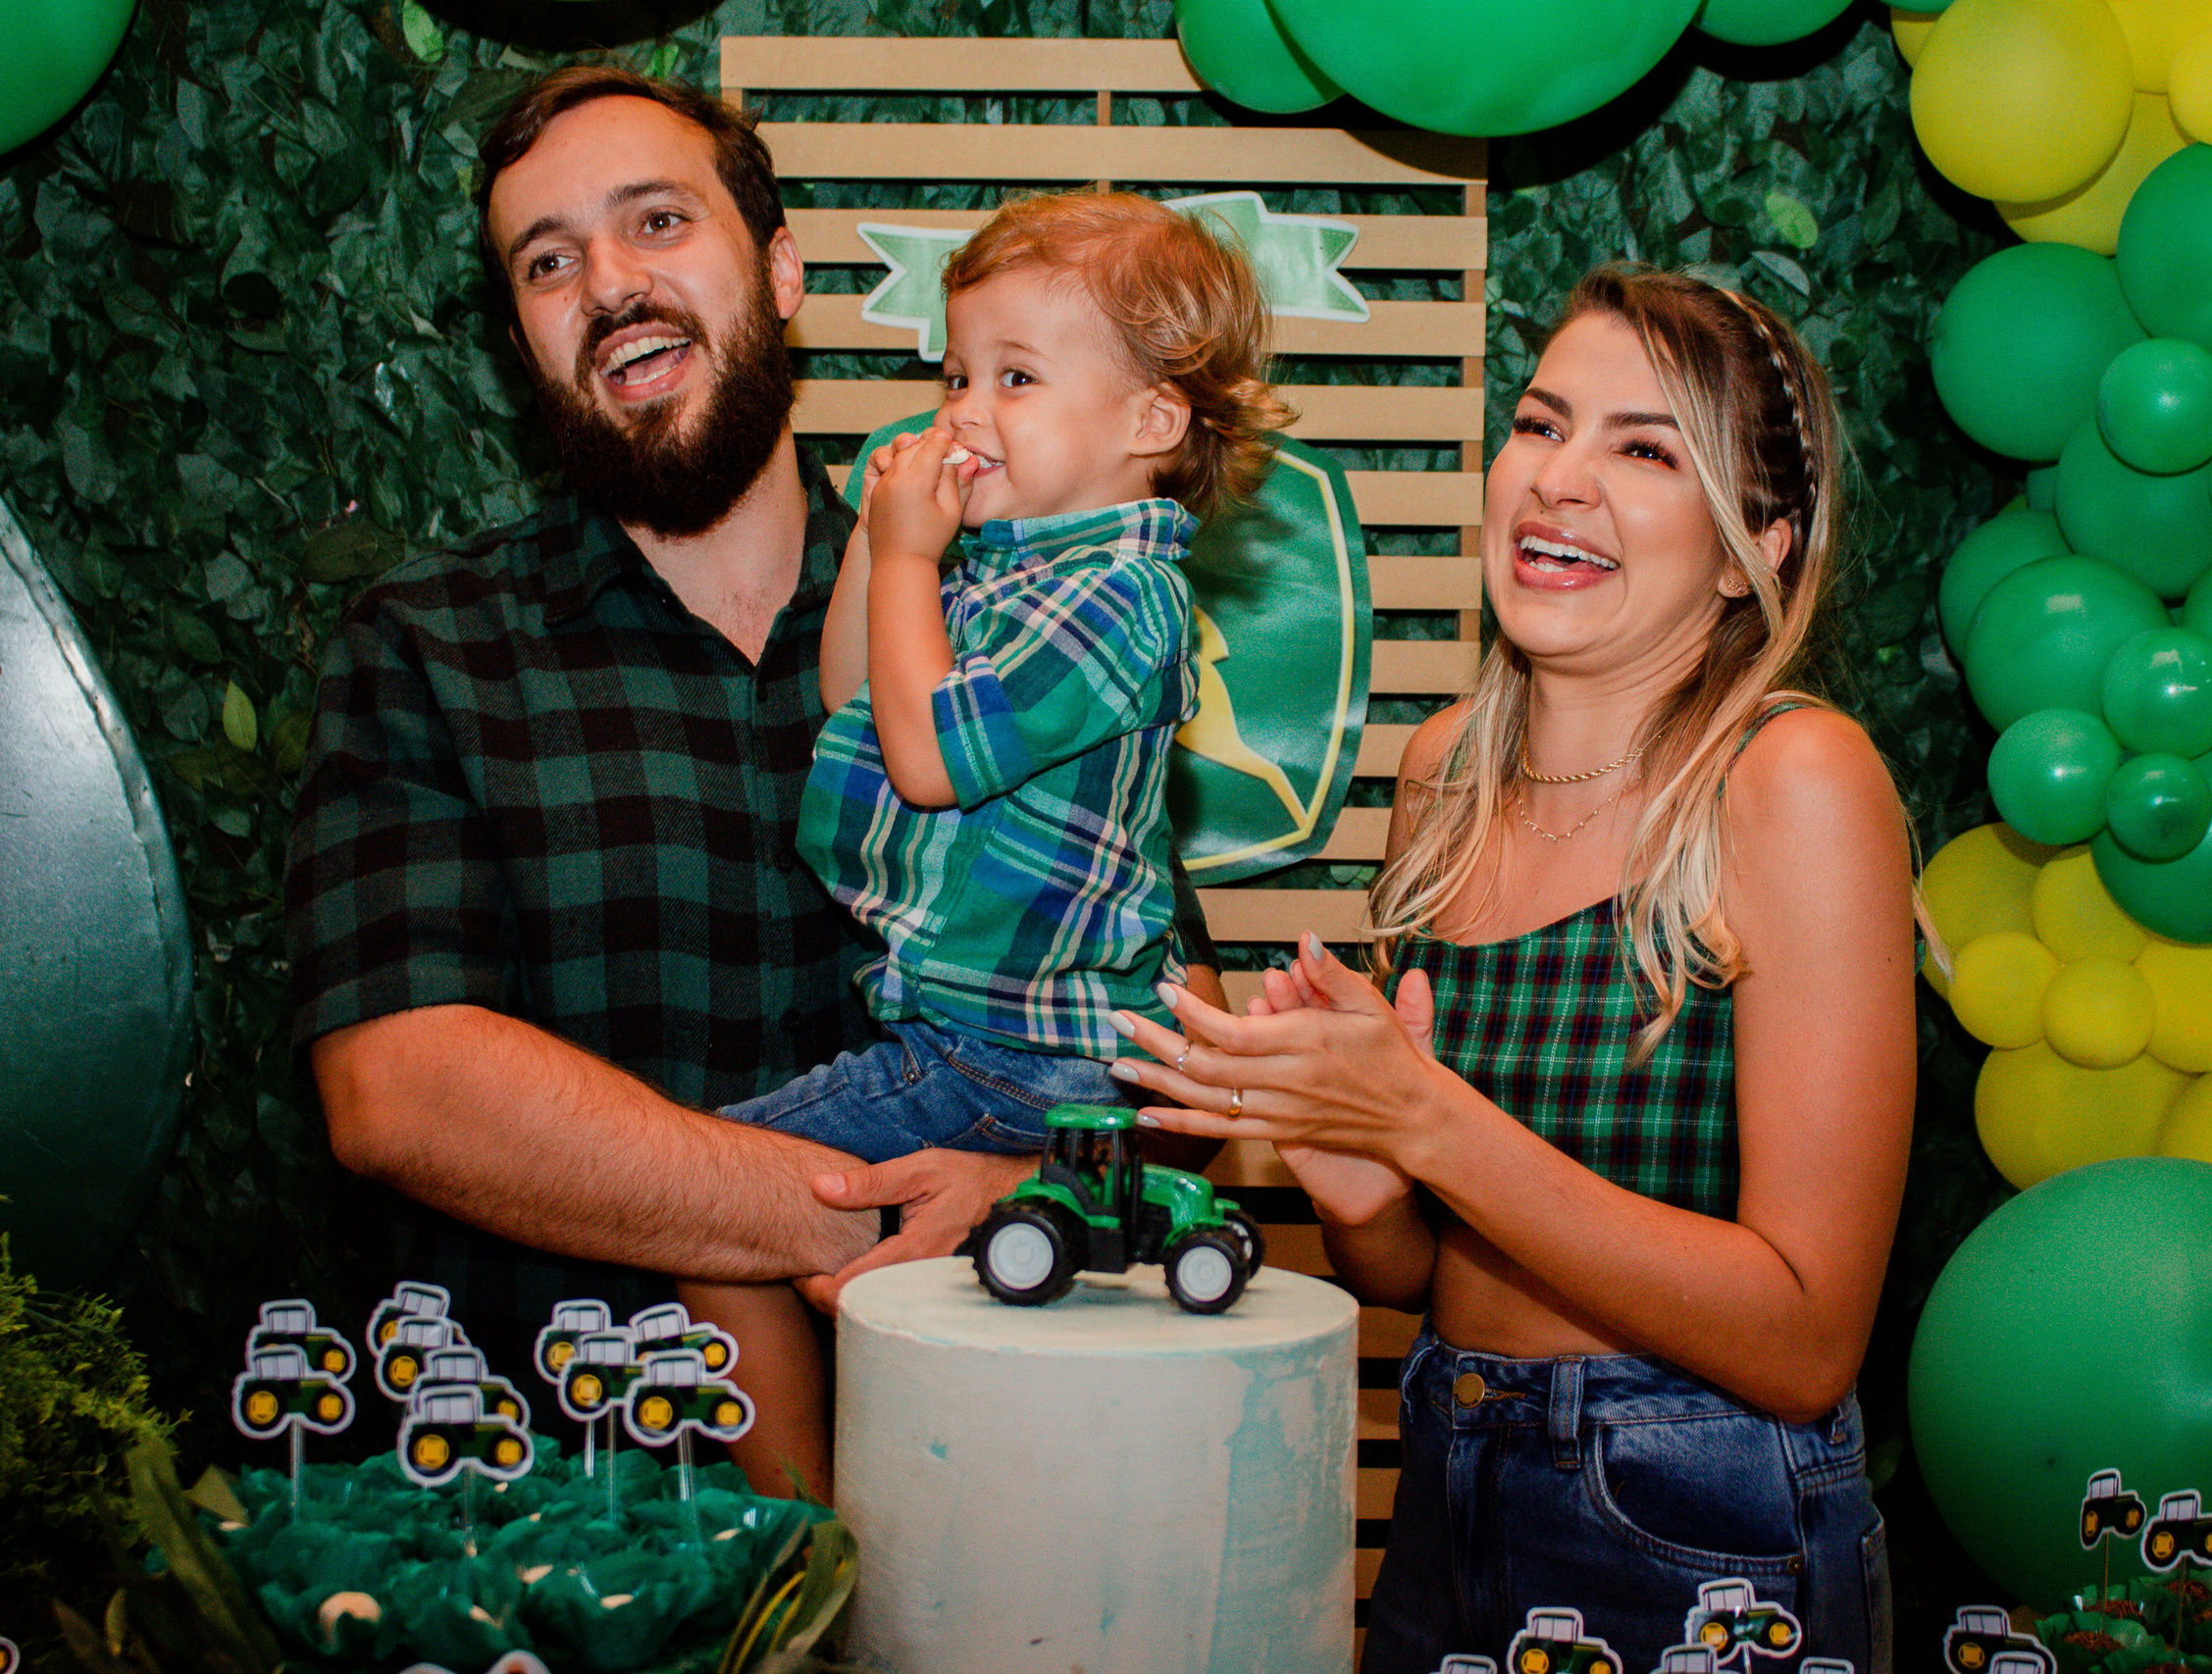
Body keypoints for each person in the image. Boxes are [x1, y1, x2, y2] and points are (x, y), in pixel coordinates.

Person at [283, 70, 1226, 1502]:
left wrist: (1028, 1187)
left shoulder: (1001, 618)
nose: (609, 284)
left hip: (1000, 1523)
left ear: (780, 271)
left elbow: (1168, 1034)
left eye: (657, 222)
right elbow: (401, 1093)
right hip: (566, 1511)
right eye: (549, 261)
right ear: (522, 337)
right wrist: (828, 1213)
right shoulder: (430, 648)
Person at [1106, 265, 1916, 1669]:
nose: (1560, 480)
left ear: (1752, 550)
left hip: (1699, 1524)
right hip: (1445, 1472)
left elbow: (1804, 1338)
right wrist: (1361, 1183)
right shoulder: (1442, 779)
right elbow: (1426, 1272)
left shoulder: (1793, 778)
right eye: (1543, 425)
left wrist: (1432, 1123)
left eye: (1646, 449)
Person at [682, 190, 1291, 1479]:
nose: (966, 409)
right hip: (973, 1041)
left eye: (1014, 375)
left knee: (713, 1195)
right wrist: (883, 543)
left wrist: (910, 564)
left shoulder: (1126, 598)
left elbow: (930, 756)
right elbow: (859, 694)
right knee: (740, 1211)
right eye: (957, 374)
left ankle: (811, 1548)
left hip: (1018, 1057)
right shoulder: (1010, 570)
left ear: (1150, 422)